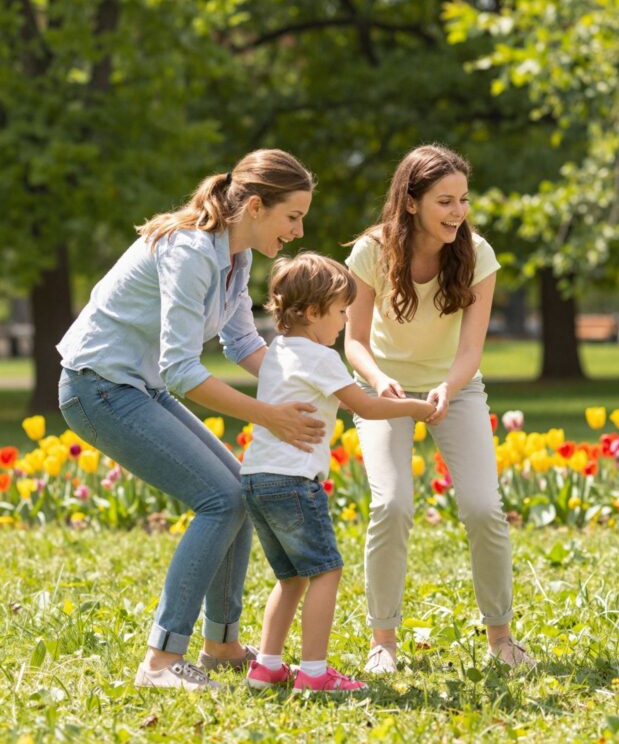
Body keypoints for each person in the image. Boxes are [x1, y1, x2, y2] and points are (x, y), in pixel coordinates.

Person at [57, 150, 324, 690]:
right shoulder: (191, 251)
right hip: (97, 386)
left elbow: (243, 340)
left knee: (239, 492)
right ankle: (159, 662)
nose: (298, 231)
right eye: (292, 216)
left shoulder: (236, 254)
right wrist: (269, 414)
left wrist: (315, 382)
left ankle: (221, 646)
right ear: (254, 205)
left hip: (136, 387)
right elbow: (179, 369)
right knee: (219, 499)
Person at [344, 144, 535, 673]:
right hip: (385, 391)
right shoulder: (370, 252)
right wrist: (382, 381)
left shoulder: (478, 254)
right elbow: (354, 341)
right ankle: (383, 642)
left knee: (483, 508)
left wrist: (447, 390)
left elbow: (471, 349)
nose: (457, 212)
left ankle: (502, 638)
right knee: (392, 505)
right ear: (411, 202)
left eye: (463, 200)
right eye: (445, 201)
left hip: (457, 390)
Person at [241, 253, 434, 694]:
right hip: (293, 482)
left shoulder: (279, 352)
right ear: (311, 313)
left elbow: (346, 399)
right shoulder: (320, 356)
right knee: (326, 572)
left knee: (290, 577)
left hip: (257, 478)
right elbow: (363, 406)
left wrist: (380, 386)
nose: (346, 322)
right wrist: (417, 408)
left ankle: (267, 666)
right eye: (341, 312)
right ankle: (313, 672)